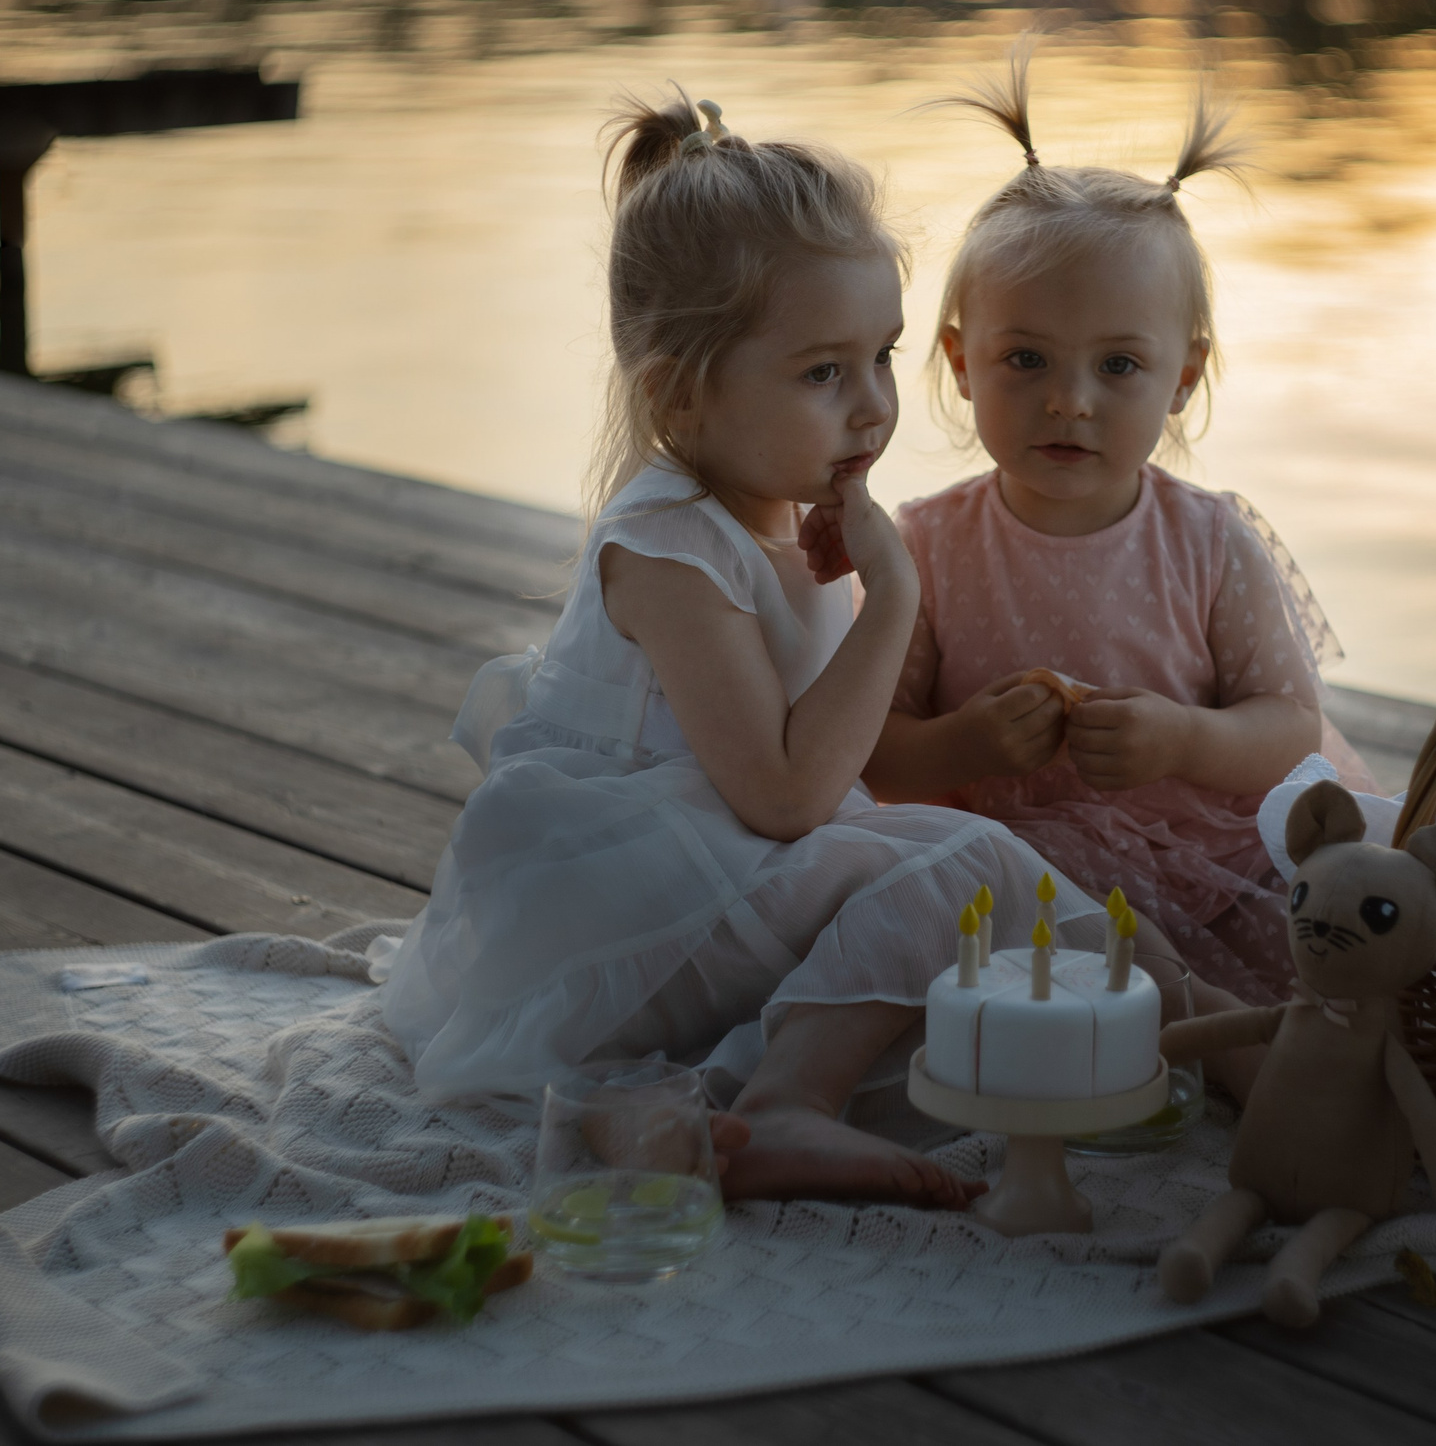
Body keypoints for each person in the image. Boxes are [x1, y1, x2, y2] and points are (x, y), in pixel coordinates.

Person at [379, 93, 1120, 1209]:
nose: (872, 407)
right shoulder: (671, 546)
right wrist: (895, 596)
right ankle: (783, 1105)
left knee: (966, 880)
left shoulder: (781, 508)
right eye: (823, 374)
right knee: (964, 865)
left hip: (716, 888)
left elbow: (839, 774)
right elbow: (786, 799)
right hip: (620, 911)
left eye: (882, 355)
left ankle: (1226, 1041)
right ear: (681, 394)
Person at [867, 44, 1379, 1010]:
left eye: (1118, 366)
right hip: (1011, 875)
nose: (1069, 402)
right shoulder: (926, 545)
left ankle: (1214, 1026)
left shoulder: (1210, 540)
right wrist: (966, 743)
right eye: (1025, 359)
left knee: (1347, 946)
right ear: (960, 360)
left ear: (1181, 376)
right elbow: (875, 746)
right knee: (905, 922)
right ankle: (1188, 1024)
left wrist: (1183, 739)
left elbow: (1287, 727)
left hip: (1208, 859)